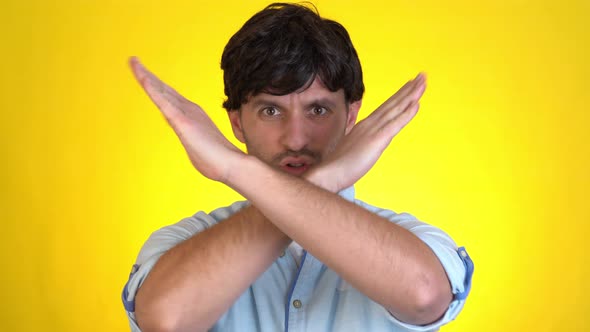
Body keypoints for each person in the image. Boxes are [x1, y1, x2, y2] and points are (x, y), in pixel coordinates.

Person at [122, 2, 473, 331]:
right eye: (270, 111)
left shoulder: (415, 242)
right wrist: (326, 180)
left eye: (317, 110)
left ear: (350, 115)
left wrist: (234, 167)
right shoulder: (181, 242)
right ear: (238, 123)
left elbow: (424, 296)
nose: (295, 139)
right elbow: (166, 320)